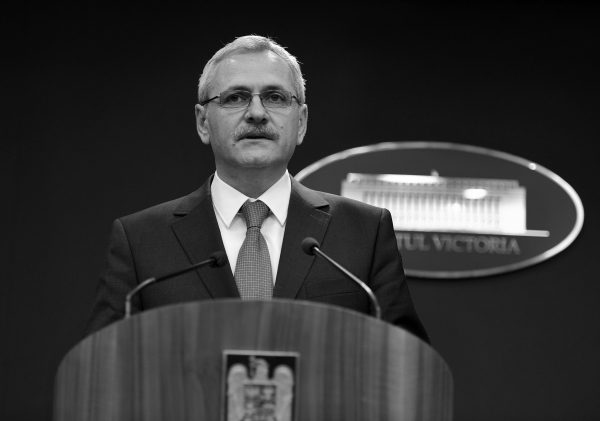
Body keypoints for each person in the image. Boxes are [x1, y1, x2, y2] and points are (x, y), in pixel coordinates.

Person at [84, 35, 429, 343]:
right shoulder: (141, 241)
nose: (257, 113)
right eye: (235, 97)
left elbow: (406, 367)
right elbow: (102, 370)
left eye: (275, 97)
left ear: (301, 122)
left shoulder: (364, 233)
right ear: (203, 122)